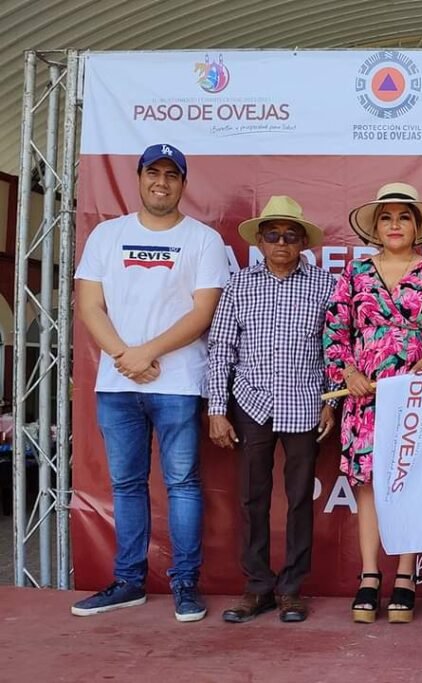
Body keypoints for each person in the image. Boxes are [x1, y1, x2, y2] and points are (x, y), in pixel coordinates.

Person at [71, 143, 230, 621]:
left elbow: (202, 312)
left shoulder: (202, 239)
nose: (161, 182)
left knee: (182, 484)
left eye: (171, 175)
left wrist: (147, 353)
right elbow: (89, 305)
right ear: (140, 178)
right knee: (126, 485)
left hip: (177, 383)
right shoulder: (107, 234)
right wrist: (126, 357)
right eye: (153, 173)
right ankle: (129, 581)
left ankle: (185, 584)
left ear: (183, 183)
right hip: (118, 383)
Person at [323, 182, 422, 624]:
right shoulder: (355, 274)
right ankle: (369, 575)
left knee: (409, 480)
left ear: (416, 226)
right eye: (386, 217)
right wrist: (348, 373)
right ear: (376, 227)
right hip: (364, 395)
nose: (395, 224)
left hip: (414, 396)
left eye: (404, 217)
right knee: (367, 485)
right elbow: (335, 332)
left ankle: (405, 573)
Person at [206, 196, 337, 623]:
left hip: (304, 402)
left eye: (290, 235)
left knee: (299, 500)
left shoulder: (324, 285)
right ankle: (258, 587)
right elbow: (221, 349)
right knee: (252, 498)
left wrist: (331, 402)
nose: (281, 242)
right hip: (251, 402)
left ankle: (292, 589)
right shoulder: (239, 286)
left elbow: (334, 348)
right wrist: (217, 409)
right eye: (273, 235)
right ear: (259, 241)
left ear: (304, 242)